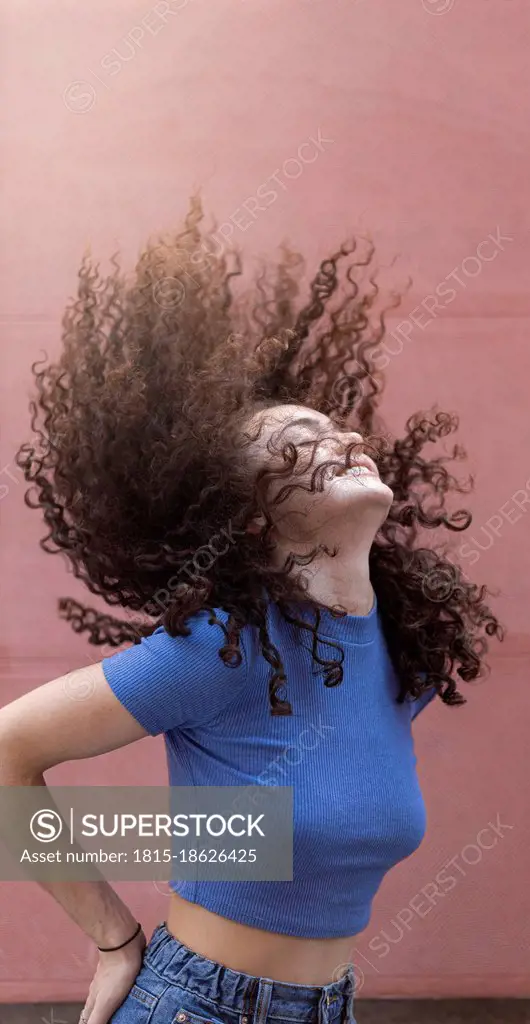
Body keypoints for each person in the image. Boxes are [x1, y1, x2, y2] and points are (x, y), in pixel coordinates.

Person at [0, 197, 502, 1024]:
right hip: (198, 1006)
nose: (340, 439)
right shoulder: (221, 649)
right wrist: (113, 939)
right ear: (255, 520)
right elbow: (11, 750)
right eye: (299, 446)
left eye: (337, 427)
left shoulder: (400, 649)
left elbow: (277, 842)